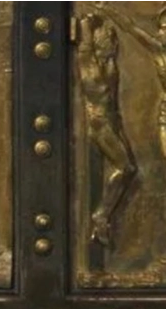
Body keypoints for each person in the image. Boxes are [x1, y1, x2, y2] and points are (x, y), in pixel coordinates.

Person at [76, 13, 137, 247]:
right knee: (126, 167)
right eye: (110, 39)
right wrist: (85, 26)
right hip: (100, 124)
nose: (114, 42)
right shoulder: (91, 70)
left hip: (113, 120)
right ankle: (101, 215)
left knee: (129, 168)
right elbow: (84, 50)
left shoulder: (109, 65)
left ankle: (102, 216)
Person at [96, 1, 166, 159]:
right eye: (162, 27)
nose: (162, 31)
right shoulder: (158, 50)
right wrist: (108, 10)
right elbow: (131, 28)